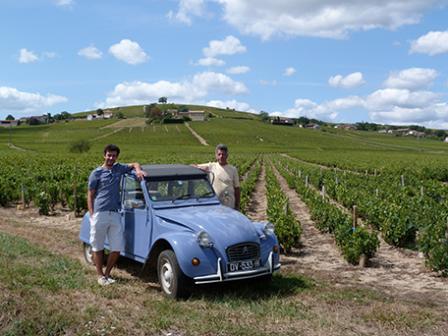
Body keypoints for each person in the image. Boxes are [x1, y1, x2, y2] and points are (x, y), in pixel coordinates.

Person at [87, 144, 146, 286]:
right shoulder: (97, 173)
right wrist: (92, 214)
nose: (111, 158)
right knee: (97, 246)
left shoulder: (119, 168)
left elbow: (135, 164)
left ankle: (107, 274)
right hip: (100, 213)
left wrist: (138, 170)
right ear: (104, 155)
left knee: (117, 247)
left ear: (116, 157)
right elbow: (90, 195)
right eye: (109, 155)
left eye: (114, 155)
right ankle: (100, 275)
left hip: (115, 214)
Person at [196, 144, 240, 210]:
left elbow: (237, 189)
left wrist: (237, 205)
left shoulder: (233, 169)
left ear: (227, 156)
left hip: (229, 205)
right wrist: (201, 168)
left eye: (223, 154)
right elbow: (193, 166)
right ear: (216, 156)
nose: (221, 156)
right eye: (219, 154)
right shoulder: (211, 166)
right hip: (216, 205)